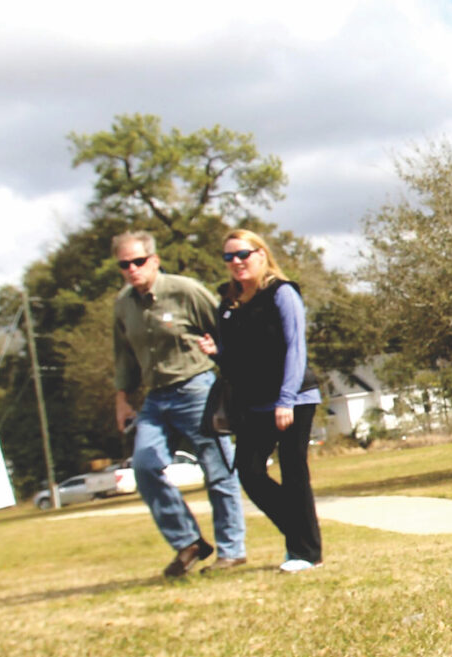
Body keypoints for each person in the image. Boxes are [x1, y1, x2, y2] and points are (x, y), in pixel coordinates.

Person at [109, 230, 247, 577]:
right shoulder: (123, 304)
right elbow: (123, 357)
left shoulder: (185, 291)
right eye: (124, 264)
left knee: (219, 472)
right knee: (143, 467)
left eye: (138, 261)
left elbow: (227, 329)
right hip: (155, 398)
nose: (132, 269)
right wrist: (122, 400)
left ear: (154, 260)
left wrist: (229, 367)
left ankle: (232, 551)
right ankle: (188, 542)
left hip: (196, 389)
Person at [205, 228, 324, 572]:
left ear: (261, 254)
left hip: (293, 397)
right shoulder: (228, 303)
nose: (237, 262)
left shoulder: (282, 293)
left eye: (243, 254)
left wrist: (286, 399)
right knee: (249, 471)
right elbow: (235, 361)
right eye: (229, 257)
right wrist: (216, 353)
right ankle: (302, 534)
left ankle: (304, 553)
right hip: (254, 402)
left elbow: (295, 348)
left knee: (293, 471)